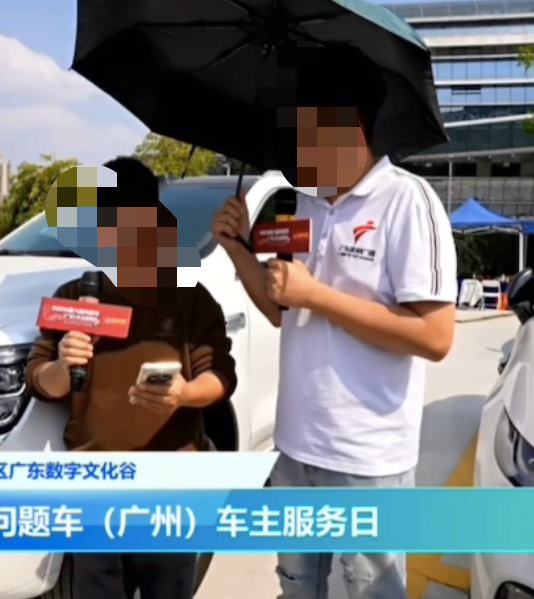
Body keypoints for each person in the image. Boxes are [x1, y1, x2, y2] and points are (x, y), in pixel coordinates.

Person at [210, 50, 458, 599]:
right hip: (297, 444)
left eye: (306, 132)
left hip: (367, 456)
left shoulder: (407, 201)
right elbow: (281, 310)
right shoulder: (303, 205)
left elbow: (435, 336)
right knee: (297, 585)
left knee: (374, 589)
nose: (297, 149)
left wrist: (318, 296)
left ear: (350, 127)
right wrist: (237, 249)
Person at [24, 156, 237, 599]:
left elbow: (220, 377)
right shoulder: (75, 297)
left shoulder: (189, 299)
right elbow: (39, 379)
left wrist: (184, 393)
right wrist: (61, 367)